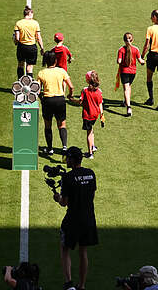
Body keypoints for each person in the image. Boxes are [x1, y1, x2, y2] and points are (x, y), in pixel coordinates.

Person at [55, 145, 98, 290]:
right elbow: (91, 196)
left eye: (68, 157)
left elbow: (64, 203)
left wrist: (57, 198)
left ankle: (68, 283)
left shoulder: (68, 177)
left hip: (73, 219)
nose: (66, 160)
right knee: (83, 251)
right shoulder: (91, 173)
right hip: (89, 219)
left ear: (72, 160)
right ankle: (82, 285)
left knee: (65, 248)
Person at [37, 50, 74, 155]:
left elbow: (37, 90)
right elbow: (71, 86)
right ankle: (64, 147)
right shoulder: (61, 71)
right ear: (55, 61)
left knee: (48, 126)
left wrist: (41, 98)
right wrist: (70, 95)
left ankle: (50, 149)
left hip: (48, 101)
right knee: (62, 125)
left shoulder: (41, 73)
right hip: (60, 100)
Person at [114, 32, 142, 116]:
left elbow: (119, 61)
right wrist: (144, 61)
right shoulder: (136, 49)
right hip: (133, 72)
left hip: (124, 71)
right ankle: (125, 102)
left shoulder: (121, 49)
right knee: (128, 86)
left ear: (124, 40)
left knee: (126, 88)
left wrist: (120, 60)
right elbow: (141, 61)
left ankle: (129, 107)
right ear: (132, 40)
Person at [79, 71, 105, 158]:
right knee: (91, 130)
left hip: (87, 115)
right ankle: (93, 146)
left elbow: (80, 102)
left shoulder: (85, 90)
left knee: (89, 133)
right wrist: (102, 115)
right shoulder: (99, 92)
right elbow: (100, 104)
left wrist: (71, 99)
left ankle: (90, 153)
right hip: (95, 115)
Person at [14, 6, 44, 79]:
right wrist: (42, 48)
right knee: (29, 67)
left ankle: (20, 83)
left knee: (20, 65)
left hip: (21, 47)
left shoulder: (18, 23)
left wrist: (15, 42)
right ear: (30, 14)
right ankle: (29, 85)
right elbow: (38, 37)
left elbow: (17, 38)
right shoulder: (35, 23)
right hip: (32, 47)